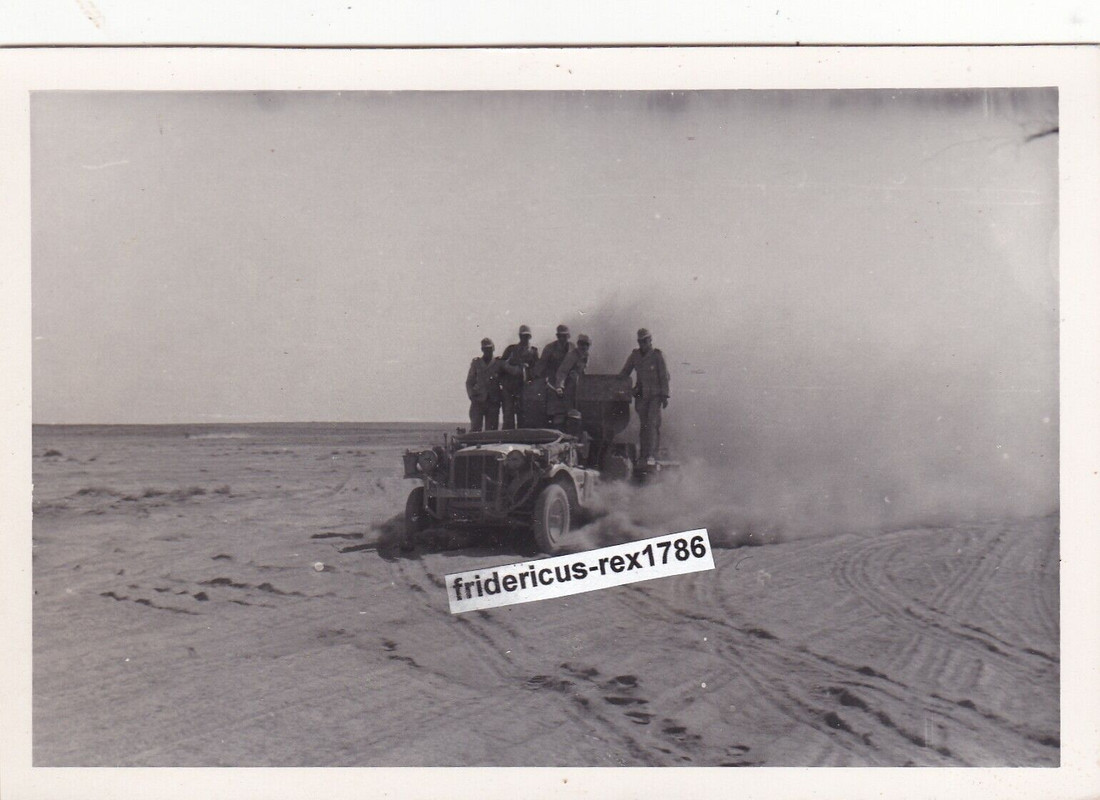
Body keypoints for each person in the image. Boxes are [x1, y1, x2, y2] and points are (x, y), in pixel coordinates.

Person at [619, 328, 670, 465]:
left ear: (650, 340)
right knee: (644, 426)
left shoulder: (657, 355)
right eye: (640, 341)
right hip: (641, 395)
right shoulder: (635, 356)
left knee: (653, 423)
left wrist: (665, 395)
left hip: (655, 395)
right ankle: (644, 454)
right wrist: (618, 385)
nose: (643, 343)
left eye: (645, 340)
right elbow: (625, 372)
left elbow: (664, 376)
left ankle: (652, 455)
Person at [499, 325, 540, 429]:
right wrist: (515, 369)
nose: (525, 339)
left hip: (524, 388)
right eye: (523, 336)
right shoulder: (511, 349)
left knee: (524, 416)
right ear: (519, 336)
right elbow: (501, 364)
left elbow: (538, 369)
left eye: (527, 336)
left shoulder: (533, 351)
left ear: (530, 337)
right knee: (508, 416)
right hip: (509, 387)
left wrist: (528, 371)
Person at [550, 333, 591, 428]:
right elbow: (562, 372)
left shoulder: (587, 356)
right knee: (569, 410)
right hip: (570, 385)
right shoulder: (572, 355)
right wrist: (559, 386)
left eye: (586, 344)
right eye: (581, 344)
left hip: (581, 386)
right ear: (578, 344)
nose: (583, 347)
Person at [466, 337, 503, 432]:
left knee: (491, 432)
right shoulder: (476, 363)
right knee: (475, 429)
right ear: (482, 350)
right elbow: (469, 381)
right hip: (478, 401)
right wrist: (471, 396)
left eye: (490, 348)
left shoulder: (498, 363)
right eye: (485, 349)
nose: (488, 351)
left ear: (493, 348)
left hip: (493, 401)